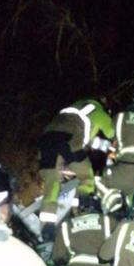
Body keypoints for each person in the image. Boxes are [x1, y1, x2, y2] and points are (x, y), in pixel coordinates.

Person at [37, 99, 114, 242]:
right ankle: (82, 209)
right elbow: (111, 132)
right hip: (68, 141)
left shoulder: (74, 108)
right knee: (86, 176)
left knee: (52, 185)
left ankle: (47, 229)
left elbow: (87, 138)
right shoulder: (97, 111)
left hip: (45, 141)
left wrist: (100, 145)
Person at [96, 94, 134, 216]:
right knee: (131, 190)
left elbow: (110, 136)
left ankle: (117, 208)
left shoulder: (120, 118)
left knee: (97, 180)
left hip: (128, 172)